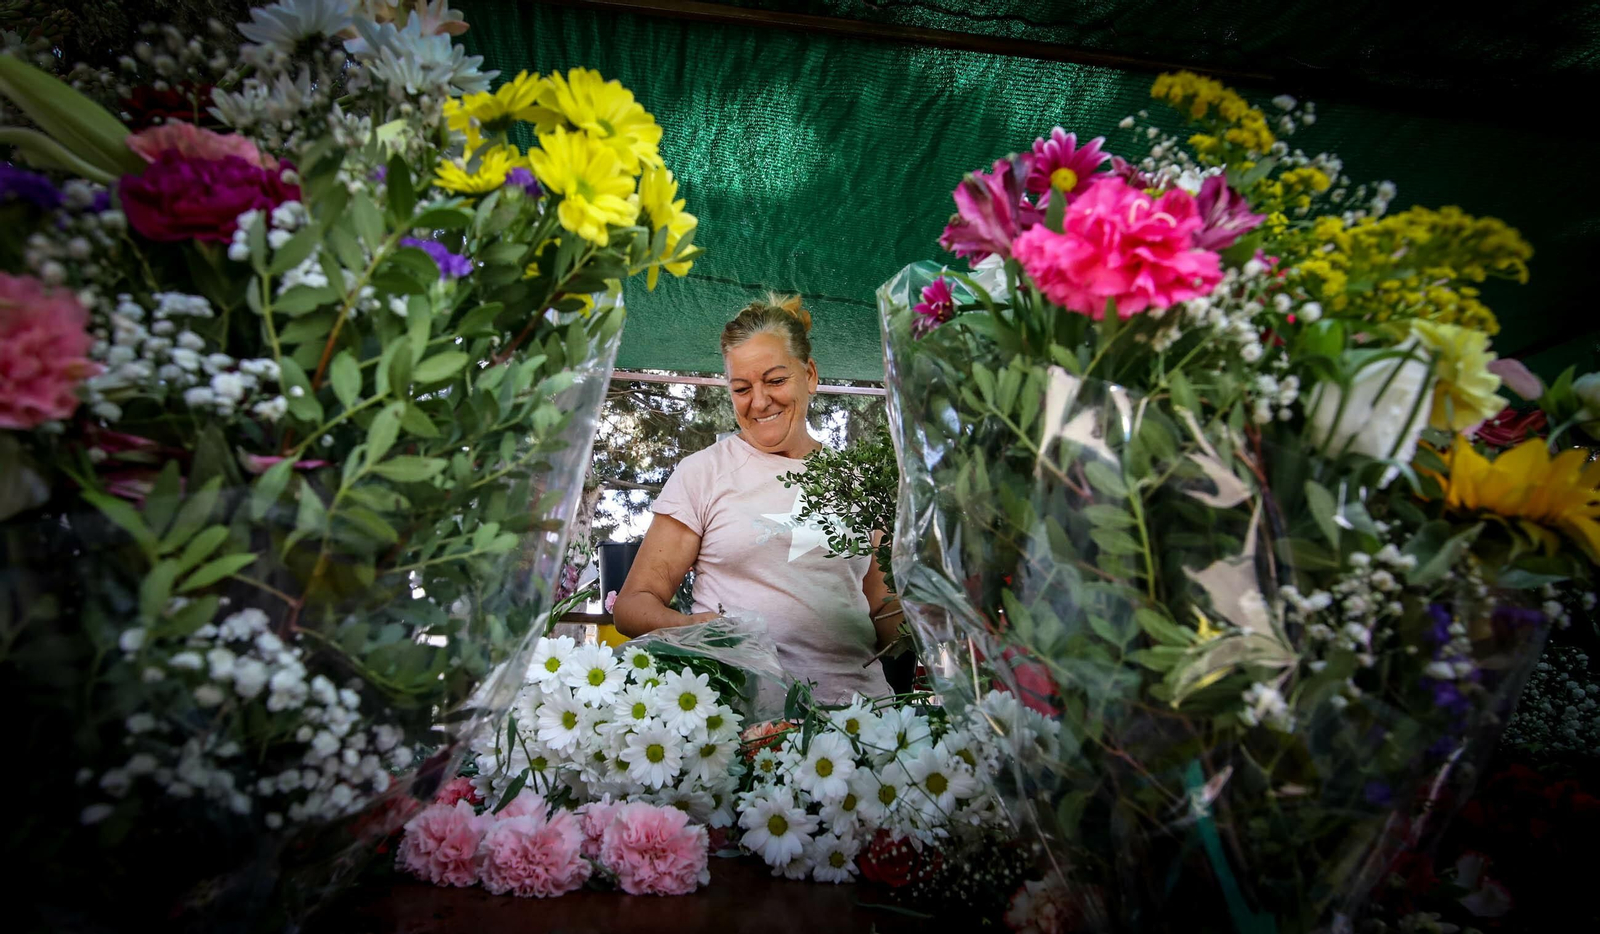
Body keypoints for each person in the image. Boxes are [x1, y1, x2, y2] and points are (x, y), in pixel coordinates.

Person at [611, 294, 899, 705]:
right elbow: (631, 606)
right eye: (742, 388)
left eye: (776, 381)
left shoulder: (859, 481)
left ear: (810, 375)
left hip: (860, 717)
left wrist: (933, 616)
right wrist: (695, 629)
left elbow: (884, 611)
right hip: (745, 722)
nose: (759, 401)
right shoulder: (703, 473)